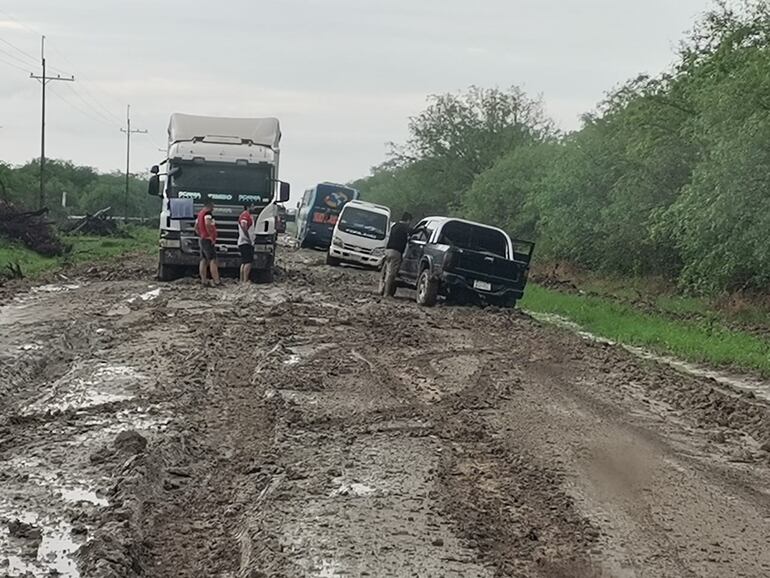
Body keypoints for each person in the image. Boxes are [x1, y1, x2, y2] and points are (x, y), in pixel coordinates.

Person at [379, 211, 412, 296]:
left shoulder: (394, 226)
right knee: (391, 274)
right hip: (396, 253)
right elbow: (412, 232)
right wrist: (422, 228)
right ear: (408, 220)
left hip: (388, 251)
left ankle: (381, 289)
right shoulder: (404, 227)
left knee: (387, 271)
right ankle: (386, 293)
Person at [195, 201, 221, 287]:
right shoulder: (208, 213)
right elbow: (207, 223)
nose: (214, 207)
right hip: (207, 240)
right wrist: (210, 236)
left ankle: (203, 280)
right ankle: (216, 281)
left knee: (203, 260)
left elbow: (196, 226)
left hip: (202, 239)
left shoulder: (200, 214)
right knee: (212, 260)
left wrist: (200, 234)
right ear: (210, 205)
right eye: (213, 206)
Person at [238, 203, 256, 282]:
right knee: (248, 262)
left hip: (243, 242)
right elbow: (243, 225)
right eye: (252, 206)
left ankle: (242, 280)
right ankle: (245, 280)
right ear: (248, 207)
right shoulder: (245, 215)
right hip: (246, 242)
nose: (254, 207)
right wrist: (248, 238)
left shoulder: (246, 215)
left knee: (244, 262)